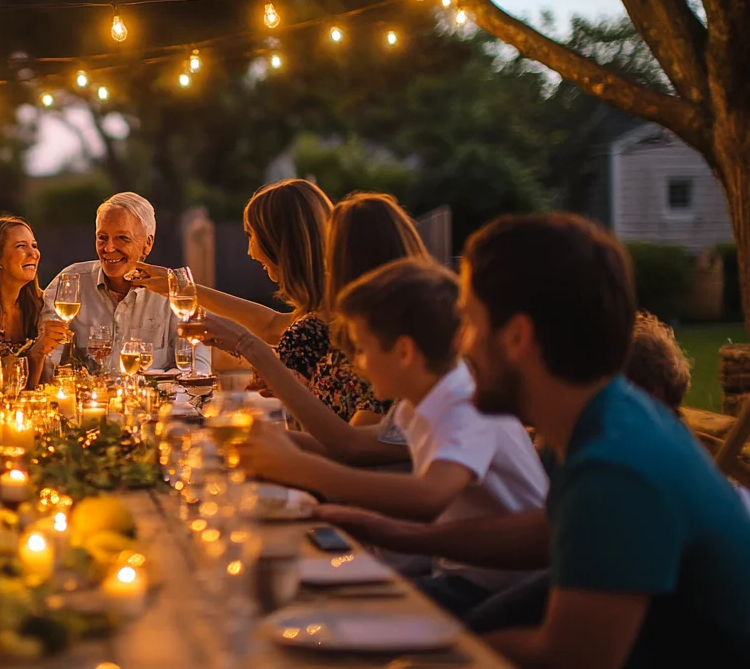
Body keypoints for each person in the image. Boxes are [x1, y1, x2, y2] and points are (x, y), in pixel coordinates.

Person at [318, 213, 750, 668]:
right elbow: (556, 530)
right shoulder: (605, 412)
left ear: (518, 337)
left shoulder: (616, 466)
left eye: (466, 322)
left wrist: (433, 648)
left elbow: (568, 658)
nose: (458, 345)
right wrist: (404, 535)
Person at [228, 258, 547, 614]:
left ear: (404, 351)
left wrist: (301, 469)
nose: (358, 364)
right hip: (455, 573)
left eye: (363, 349)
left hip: (501, 592)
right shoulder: (419, 400)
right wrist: (266, 443)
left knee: (311, 608)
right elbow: (351, 447)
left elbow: (428, 496)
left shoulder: (465, 404)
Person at [193, 193, 428, 465]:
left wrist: (250, 349)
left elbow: (352, 448)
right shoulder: (362, 334)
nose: (323, 262)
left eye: (331, 251)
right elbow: (342, 440)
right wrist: (239, 435)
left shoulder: (389, 351)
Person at [130, 179, 334, 381]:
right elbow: (271, 325)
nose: (250, 251)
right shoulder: (325, 306)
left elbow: (273, 330)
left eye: (252, 236)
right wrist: (180, 286)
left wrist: (241, 343)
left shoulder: (324, 322)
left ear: (278, 241)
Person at [42, 192, 210, 374]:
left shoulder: (174, 294)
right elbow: (48, 365)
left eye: (122, 238)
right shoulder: (69, 284)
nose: (109, 248)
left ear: (147, 244)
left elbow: (197, 368)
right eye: (102, 237)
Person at [0, 216, 68, 384]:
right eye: (21, 246)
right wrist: (36, 354)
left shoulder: (42, 307)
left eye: (34, 245)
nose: (34, 254)